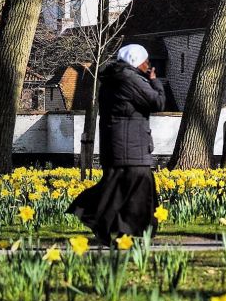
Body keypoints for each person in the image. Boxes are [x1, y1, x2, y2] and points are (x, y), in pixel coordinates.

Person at [67, 44, 165, 245]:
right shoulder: (129, 79)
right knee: (132, 184)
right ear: (136, 61)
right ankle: (93, 215)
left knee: (124, 185)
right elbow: (157, 103)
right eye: (145, 61)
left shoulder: (114, 79)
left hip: (120, 143)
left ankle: (121, 230)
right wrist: (155, 82)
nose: (148, 65)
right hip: (129, 144)